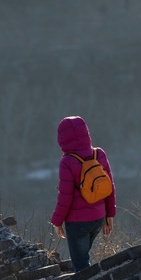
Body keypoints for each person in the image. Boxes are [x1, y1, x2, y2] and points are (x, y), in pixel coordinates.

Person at [51, 116, 116, 272]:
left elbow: (65, 196)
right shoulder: (98, 154)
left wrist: (57, 221)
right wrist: (109, 215)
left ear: (62, 139)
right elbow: (109, 187)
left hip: (78, 223)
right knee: (84, 260)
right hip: (98, 219)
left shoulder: (67, 161)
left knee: (81, 268)